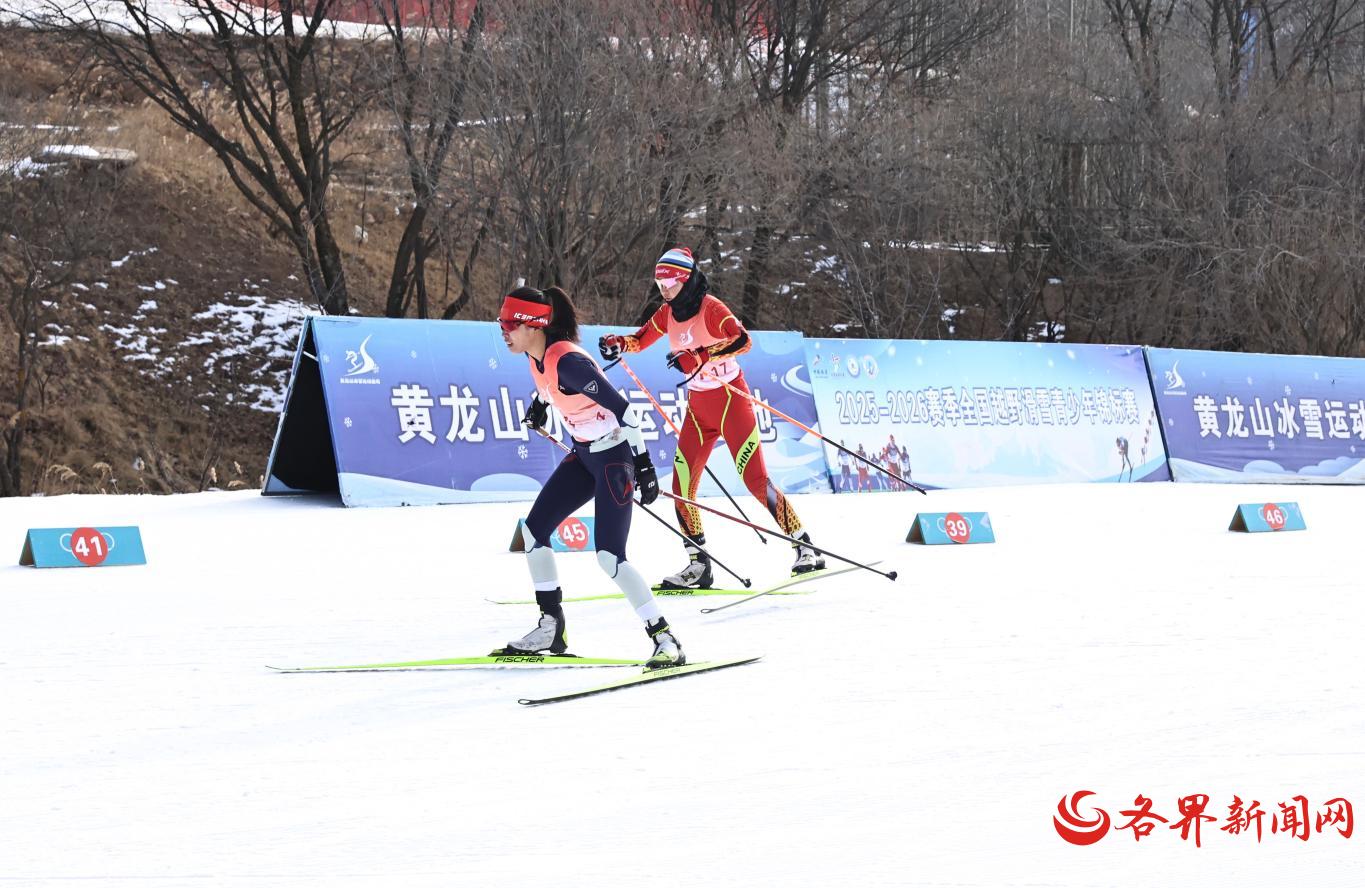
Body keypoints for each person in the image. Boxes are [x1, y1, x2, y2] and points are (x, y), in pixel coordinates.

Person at [598, 246, 825, 588]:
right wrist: (619, 343)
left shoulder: (711, 308)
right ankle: (698, 564)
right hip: (699, 409)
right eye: (659, 285)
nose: (664, 292)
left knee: (755, 480)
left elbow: (742, 340)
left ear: (686, 280)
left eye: (669, 285)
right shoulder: (668, 312)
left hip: (731, 402)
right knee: (681, 486)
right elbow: (641, 340)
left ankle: (804, 545)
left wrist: (700, 356)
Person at [495, 285, 683, 668]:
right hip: (583, 455)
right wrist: (539, 405)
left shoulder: (569, 362)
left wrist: (644, 466)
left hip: (615, 458)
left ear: (533, 325)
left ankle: (665, 638)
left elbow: (624, 411)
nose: (504, 332)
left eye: (510, 325)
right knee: (531, 534)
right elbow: (550, 387)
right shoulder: (536, 357)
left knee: (610, 557)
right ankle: (551, 626)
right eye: (502, 324)